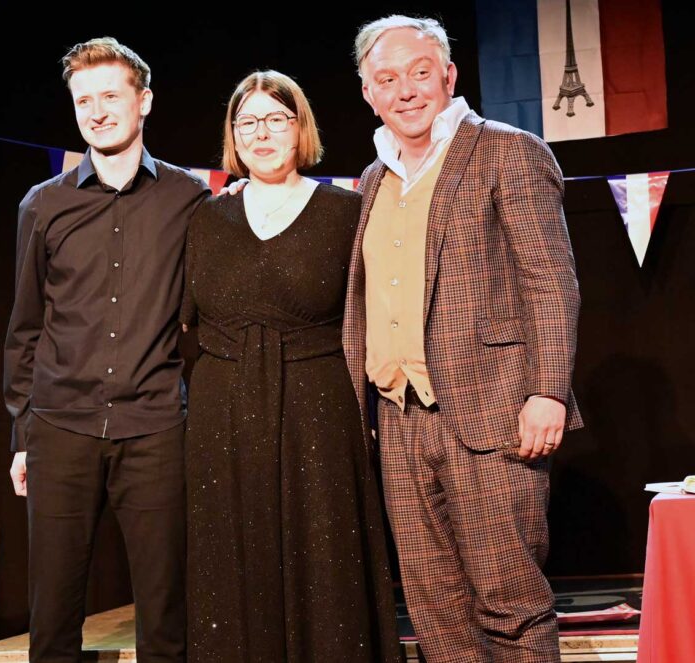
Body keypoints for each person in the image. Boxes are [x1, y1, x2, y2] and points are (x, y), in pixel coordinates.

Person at [342, 15, 583, 663]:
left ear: (448, 76)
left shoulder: (507, 150)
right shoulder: (372, 180)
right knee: (435, 609)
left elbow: (551, 282)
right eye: (386, 79)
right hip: (399, 419)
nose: (406, 91)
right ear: (368, 93)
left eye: (420, 73)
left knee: (509, 601)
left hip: (496, 412)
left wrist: (547, 392)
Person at [180, 70, 401, 662]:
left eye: (276, 119)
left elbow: (379, 312)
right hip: (221, 413)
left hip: (319, 405)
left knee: (325, 559)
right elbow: (187, 322)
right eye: (247, 121)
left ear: (300, 127)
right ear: (233, 134)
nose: (262, 133)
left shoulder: (346, 211)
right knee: (230, 562)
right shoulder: (206, 218)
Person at [3, 37, 208, 662]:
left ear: (143, 101)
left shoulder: (189, 199)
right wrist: (22, 434)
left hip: (154, 429)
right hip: (60, 429)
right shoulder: (43, 204)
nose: (96, 111)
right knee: (55, 615)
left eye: (110, 95)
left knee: (166, 613)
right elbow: (25, 327)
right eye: (83, 100)